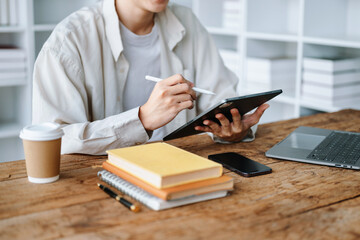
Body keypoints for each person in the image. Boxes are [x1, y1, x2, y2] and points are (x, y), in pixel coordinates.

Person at [32, 0, 269, 155]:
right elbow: (56, 140)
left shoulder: (187, 21)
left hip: (179, 165)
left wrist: (232, 128)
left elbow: (220, 96)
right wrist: (142, 120)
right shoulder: (68, 41)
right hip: (99, 180)